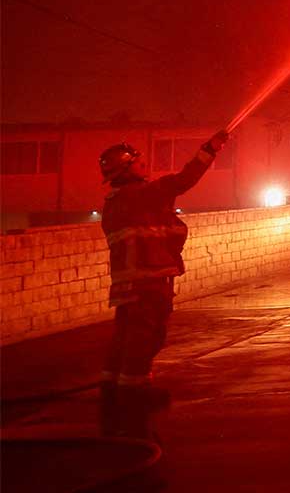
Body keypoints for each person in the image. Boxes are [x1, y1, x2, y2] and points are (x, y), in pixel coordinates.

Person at [97, 127, 232, 404]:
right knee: (147, 336)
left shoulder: (115, 202)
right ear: (125, 169)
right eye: (137, 162)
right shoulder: (140, 195)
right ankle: (134, 390)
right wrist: (210, 149)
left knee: (125, 335)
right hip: (149, 279)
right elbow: (183, 180)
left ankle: (113, 384)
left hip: (128, 281)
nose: (143, 165)